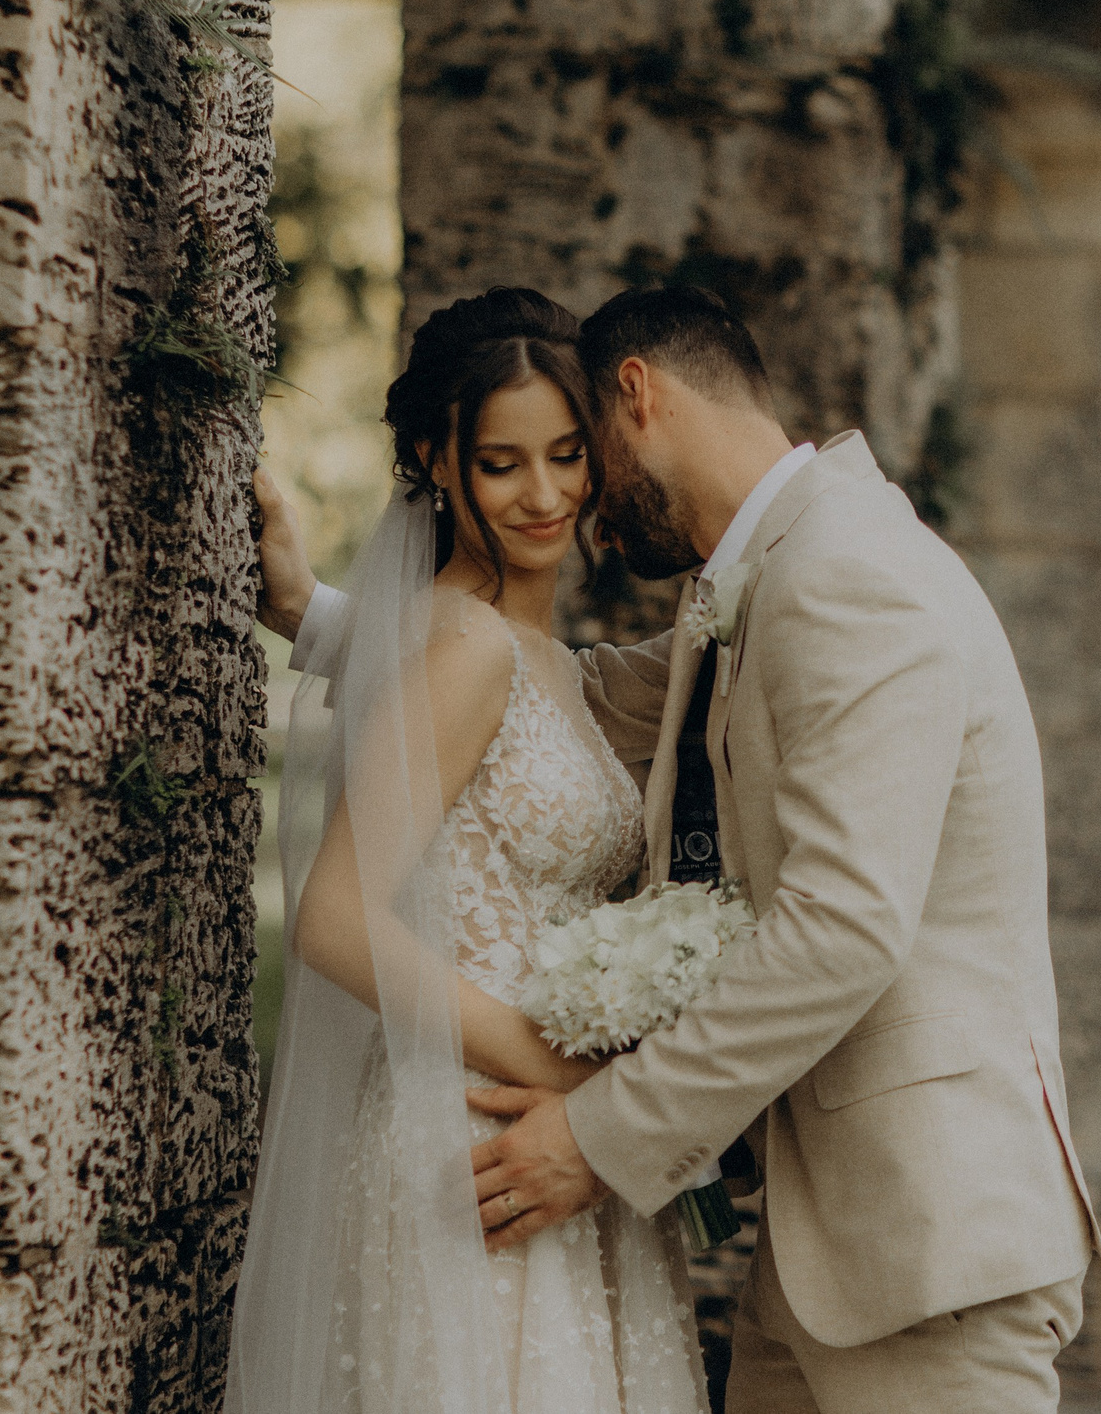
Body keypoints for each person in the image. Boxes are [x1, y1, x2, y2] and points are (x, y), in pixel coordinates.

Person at [254, 284, 1101, 1413]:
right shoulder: (762, 577)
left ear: (635, 398)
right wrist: (316, 614)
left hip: (927, 1241)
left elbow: (843, 928)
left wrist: (602, 1131)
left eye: (578, 451)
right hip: (821, 1259)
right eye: (512, 460)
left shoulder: (845, 577)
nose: (577, 498)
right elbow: (532, 700)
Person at [227, 288, 707, 1414]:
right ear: (438, 463)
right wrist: (564, 1076)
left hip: (539, 1142)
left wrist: (307, 608)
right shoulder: (466, 647)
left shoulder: (530, 649)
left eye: (564, 455)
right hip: (476, 1143)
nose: (543, 495)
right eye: (502, 463)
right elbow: (336, 917)